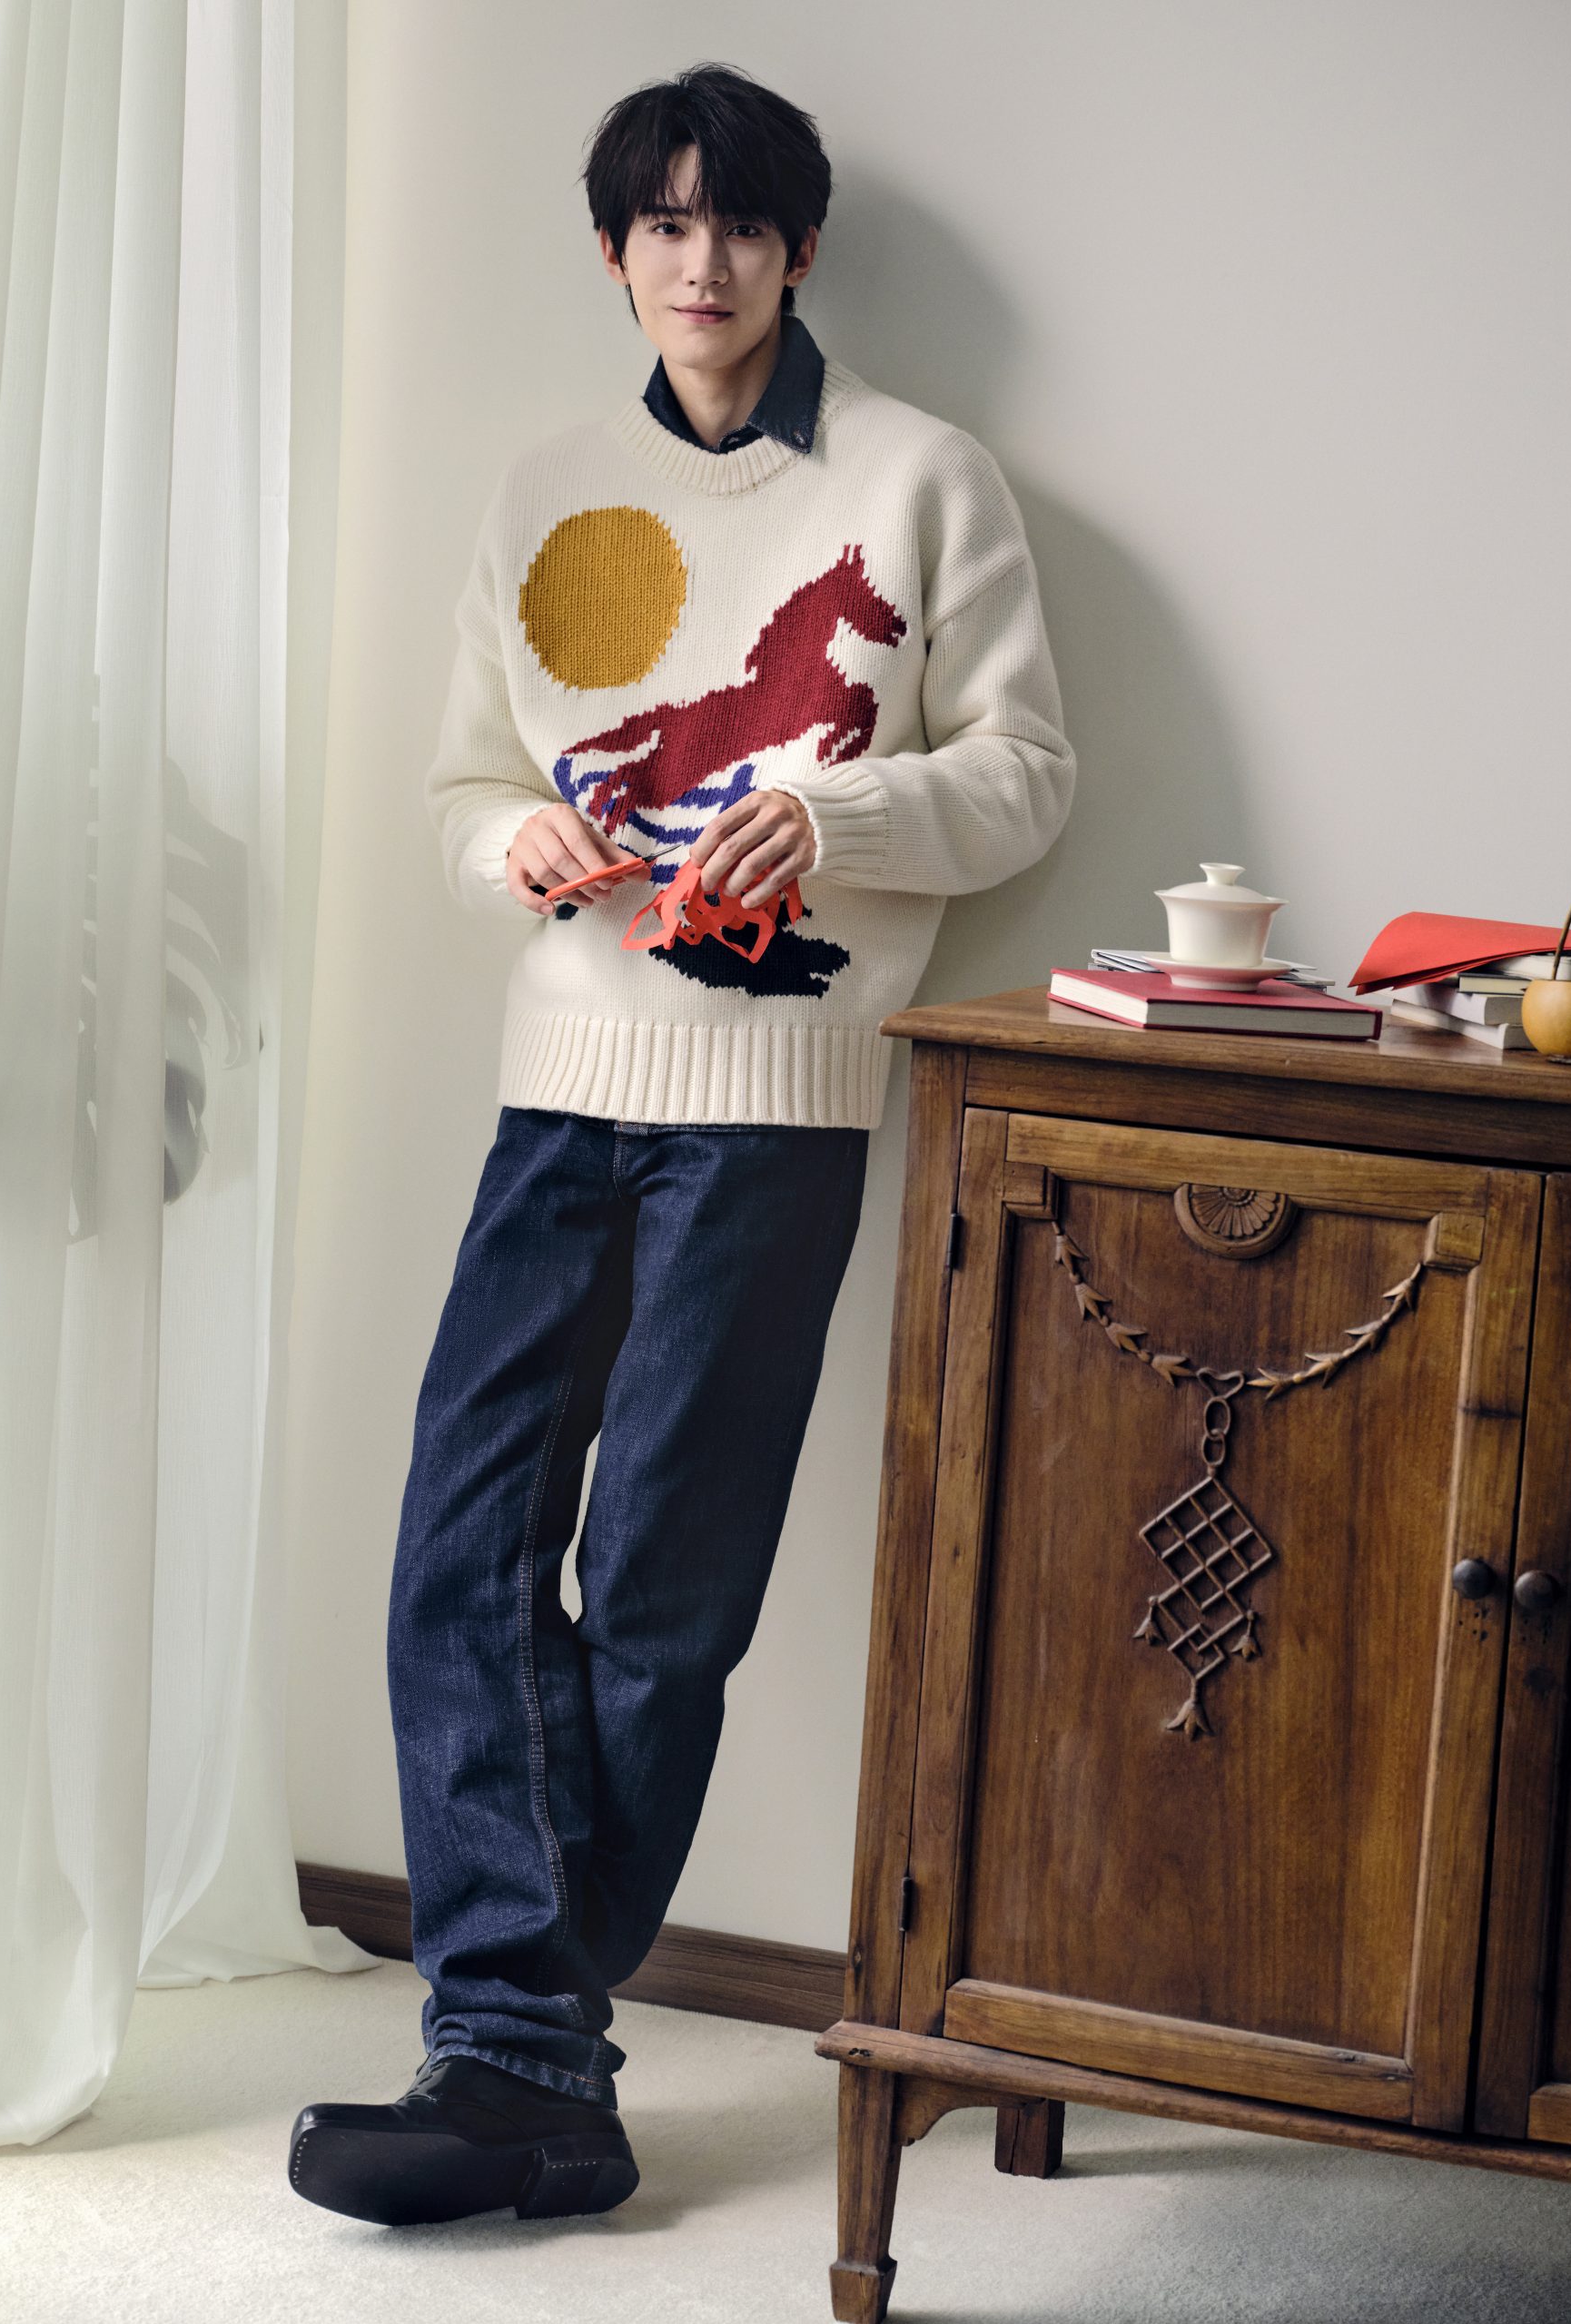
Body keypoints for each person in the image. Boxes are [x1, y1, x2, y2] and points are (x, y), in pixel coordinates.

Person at [288, 61, 1075, 2230]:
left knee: (657, 1586)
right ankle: (531, 2054)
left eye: (738, 224)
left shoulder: (922, 480)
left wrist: (829, 808)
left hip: (773, 1109)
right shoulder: (546, 487)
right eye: (663, 223)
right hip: (561, 1081)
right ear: (614, 253)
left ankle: (515, 2051)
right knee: (458, 1545)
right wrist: (512, 847)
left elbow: (1026, 776)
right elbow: (463, 786)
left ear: (798, 251)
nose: (700, 261)